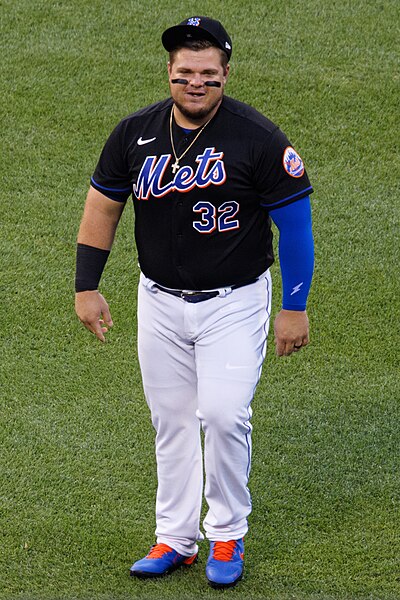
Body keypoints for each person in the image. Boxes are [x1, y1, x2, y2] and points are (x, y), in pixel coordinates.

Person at [75, 16, 314, 589]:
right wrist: (86, 285)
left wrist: (294, 305)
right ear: (170, 72)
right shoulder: (135, 133)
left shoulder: (257, 138)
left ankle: (226, 533)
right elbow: (102, 208)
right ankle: (175, 539)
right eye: (186, 72)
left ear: (225, 74)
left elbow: (296, 227)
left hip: (234, 302)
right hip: (156, 300)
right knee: (172, 421)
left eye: (208, 73)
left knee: (225, 415)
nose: (196, 82)